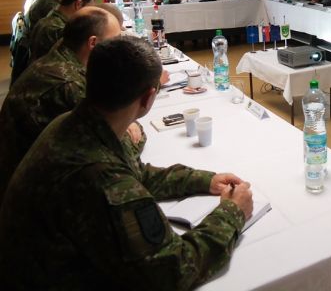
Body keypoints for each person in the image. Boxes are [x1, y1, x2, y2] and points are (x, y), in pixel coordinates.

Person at [0, 36, 253, 289]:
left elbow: (135, 172)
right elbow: (173, 271)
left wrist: (204, 180)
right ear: (148, 98)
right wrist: (232, 213)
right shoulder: (101, 177)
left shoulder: (74, 122)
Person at [0, 7, 123, 202]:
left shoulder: (62, 53)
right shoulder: (68, 84)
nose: (119, 46)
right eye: (115, 40)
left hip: (25, 175)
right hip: (36, 196)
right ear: (93, 42)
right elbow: (114, 146)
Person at [29, 0, 95, 61]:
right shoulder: (59, 29)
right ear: (79, 4)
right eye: (89, 9)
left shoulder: (48, 20)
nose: (89, 14)